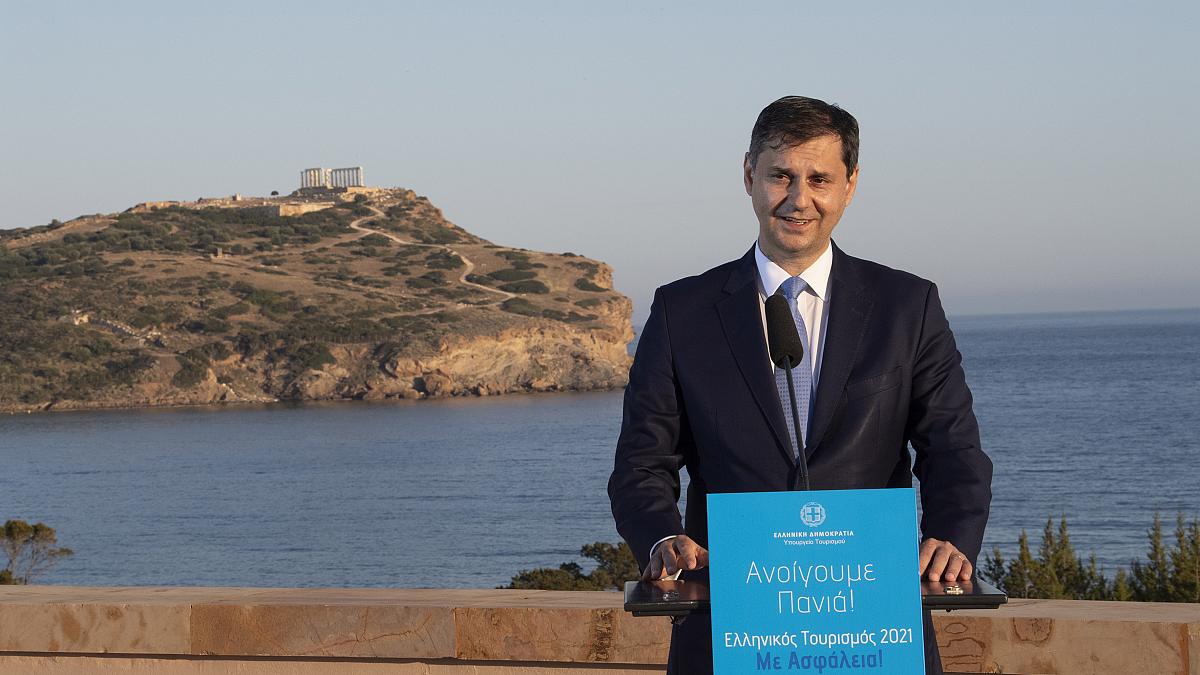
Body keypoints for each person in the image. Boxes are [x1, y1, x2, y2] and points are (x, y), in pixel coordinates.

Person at [608, 96, 992, 675]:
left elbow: (954, 448)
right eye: (780, 176)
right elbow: (641, 463)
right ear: (749, 176)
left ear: (850, 184)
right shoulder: (680, 312)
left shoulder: (907, 306)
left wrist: (950, 535)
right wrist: (661, 538)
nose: (798, 199)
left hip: (874, 624)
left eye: (819, 179)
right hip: (729, 628)